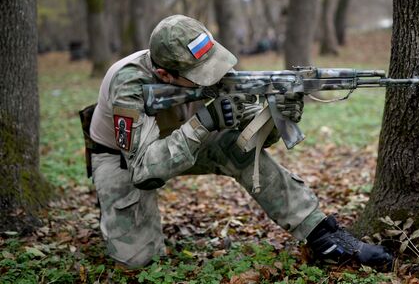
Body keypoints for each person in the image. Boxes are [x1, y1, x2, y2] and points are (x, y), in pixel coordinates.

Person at [88, 14, 393, 269]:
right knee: (139, 262)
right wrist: (204, 122)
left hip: (183, 143)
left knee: (237, 148)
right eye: (200, 74)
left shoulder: (210, 65)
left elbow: (255, 140)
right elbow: (143, 171)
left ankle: (322, 235)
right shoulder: (127, 82)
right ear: (164, 75)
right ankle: (113, 207)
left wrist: (277, 114)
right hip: (124, 159)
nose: (214, 75)